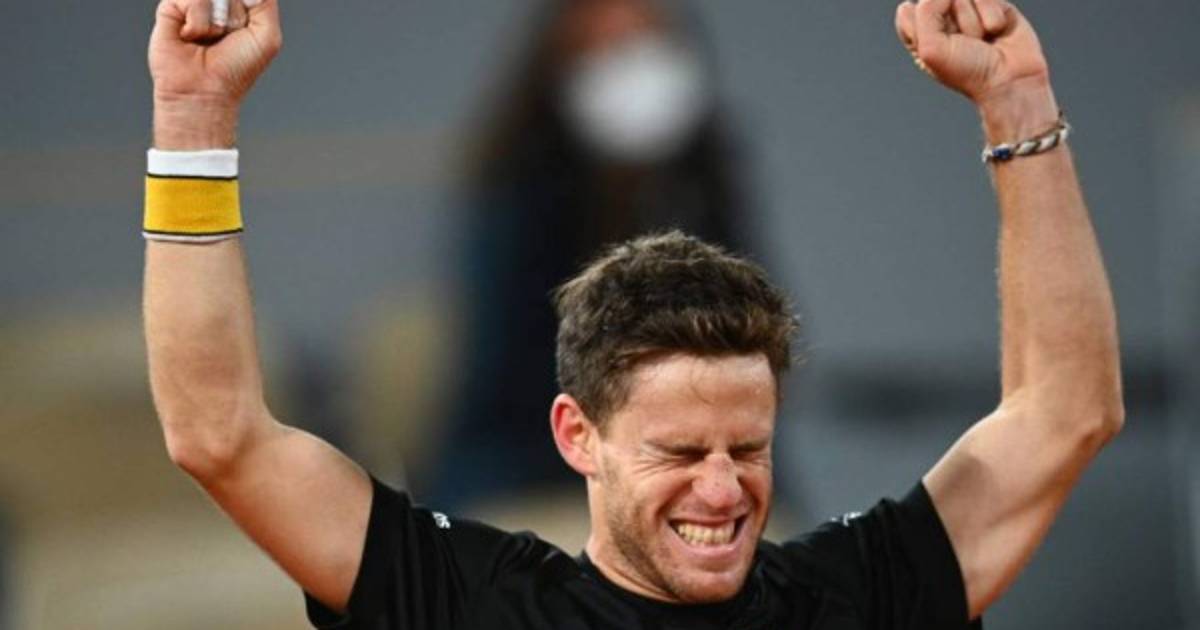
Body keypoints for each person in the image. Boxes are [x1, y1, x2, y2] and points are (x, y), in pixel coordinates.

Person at [142, 0, 1123, 628]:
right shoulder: (472, 604)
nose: (722, 491)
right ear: (579, 434)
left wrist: (1018, 102)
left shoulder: (854, 595)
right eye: (678, 452)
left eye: (747, 448)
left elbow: (1068, 409)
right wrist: (193, 123)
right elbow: (217, 434)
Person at [428, 0, 758, 509]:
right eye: (605, 50)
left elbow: (752, 342)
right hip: (525, 462)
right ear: (559, 69)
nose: (629, 68)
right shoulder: (519, 196)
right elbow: (506, 375)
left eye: (642, 44)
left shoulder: (702, 190)